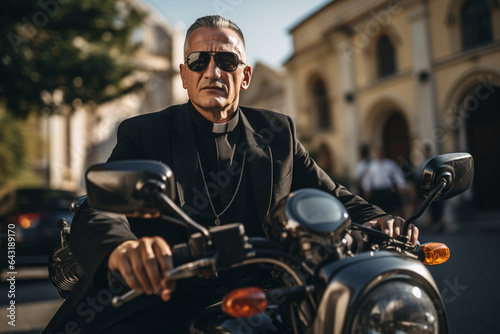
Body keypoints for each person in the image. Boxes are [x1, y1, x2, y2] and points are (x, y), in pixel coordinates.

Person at [44, 15, 418, 333]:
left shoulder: (278, 133)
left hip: (264, 300)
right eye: (198, 60)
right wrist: (124, 250)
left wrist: (378, 218)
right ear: (184, 75)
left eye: (226, 59)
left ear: (245, 75)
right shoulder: (143, 133)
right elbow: (100, 207)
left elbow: (332, 193)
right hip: (165, 299)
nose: (212, 71)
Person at [361, 146, 406, 215]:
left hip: (387, 190)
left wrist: (401, 185)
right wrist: (367, 188)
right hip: (377, 191)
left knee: (390, 210)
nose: (379, 155)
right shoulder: (372, 166)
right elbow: (367, 178)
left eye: (380, 153)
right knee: (378, 210)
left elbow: (397, 174)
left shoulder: (389, 164)